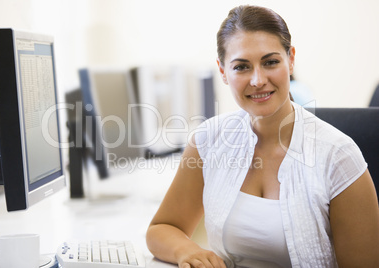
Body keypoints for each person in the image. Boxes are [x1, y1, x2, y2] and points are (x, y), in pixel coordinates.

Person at [146, 5, 379, 268]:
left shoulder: (338, 155)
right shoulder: (208, 140)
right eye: (242, 67)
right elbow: (163, 227)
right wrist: (186, 251)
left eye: (270, 62)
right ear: (223, 71)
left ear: (290, 60)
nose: (258, 80)